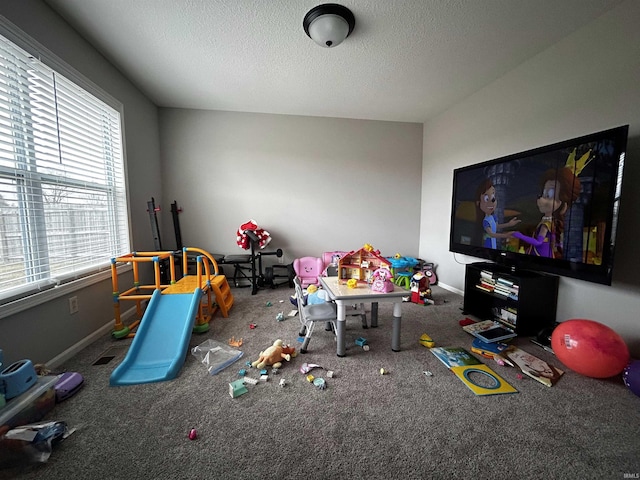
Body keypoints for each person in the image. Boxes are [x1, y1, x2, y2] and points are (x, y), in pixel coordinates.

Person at [513, 164, 582, 258]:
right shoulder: (550, 222)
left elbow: (538, 242)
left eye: (549, 196)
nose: (541, 199)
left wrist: (520, 236)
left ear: (563, 204)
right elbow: (553, 240)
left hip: (541, 254)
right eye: (543, 194)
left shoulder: (546, 224)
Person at [475, 178, 520, 248]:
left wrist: (509, 224)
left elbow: (496, 226)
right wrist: (505, 235)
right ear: (478, 203)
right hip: (489, 242)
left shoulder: (493, 217)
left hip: (493, 242)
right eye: (486, 199)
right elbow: (492, 234)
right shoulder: (485, 221)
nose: (492, 201)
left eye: (493, 197)